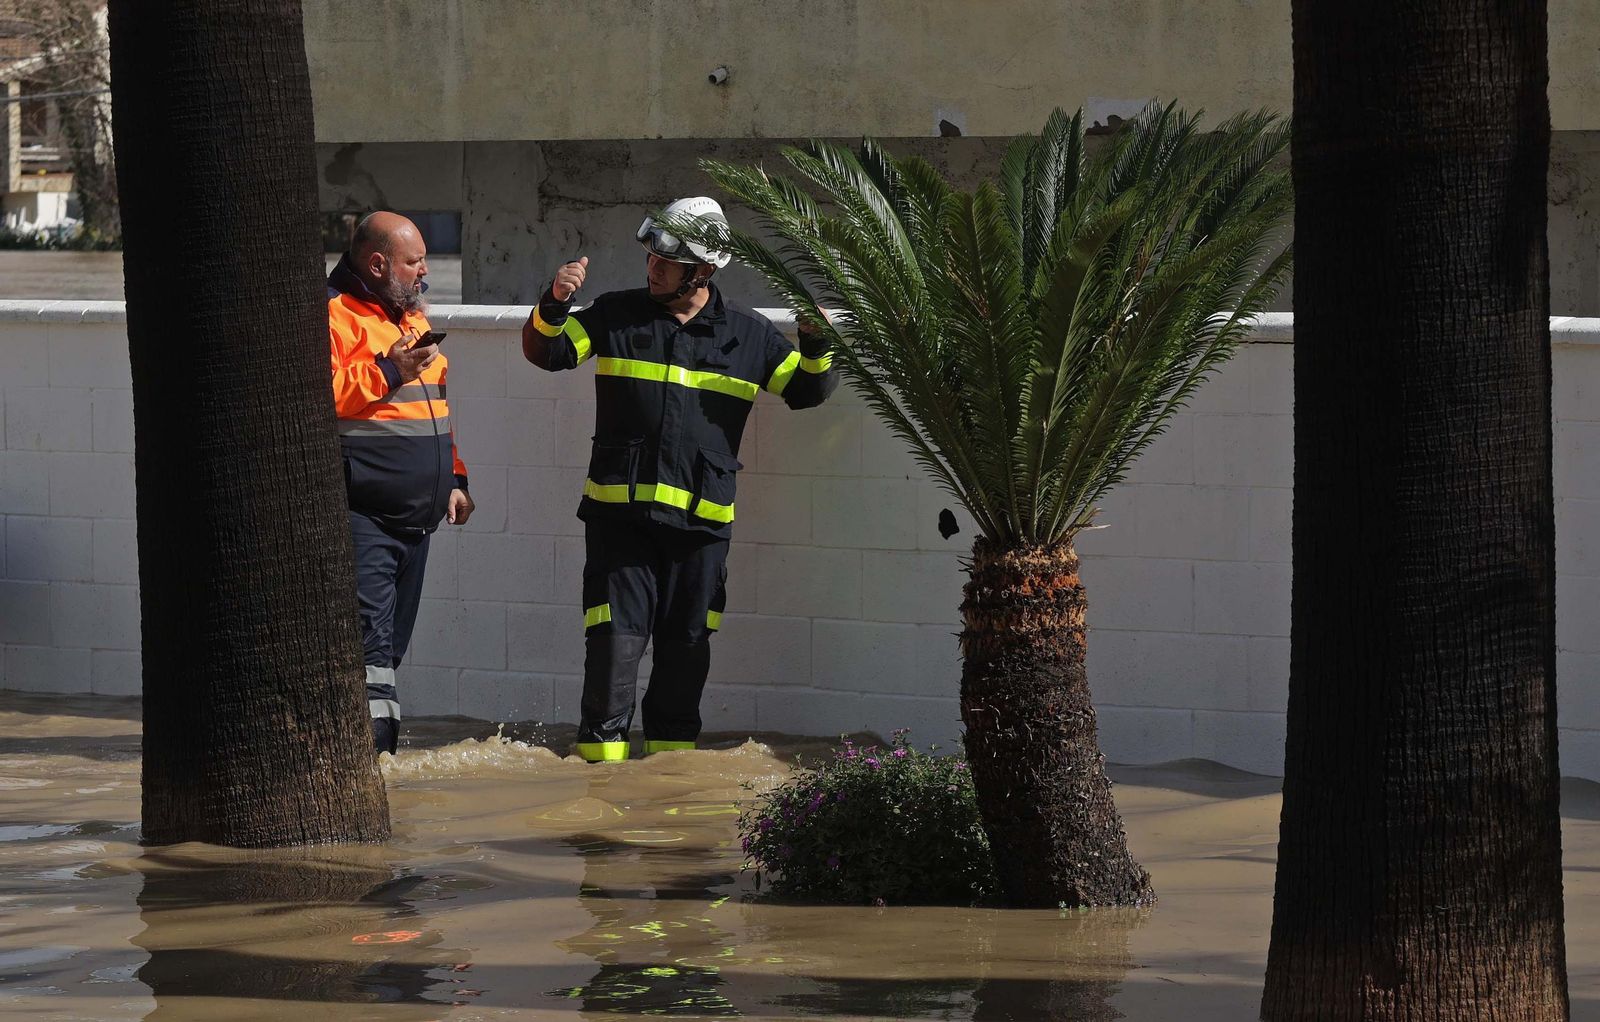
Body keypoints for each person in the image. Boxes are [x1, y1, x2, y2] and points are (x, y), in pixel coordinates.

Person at [521, 196, 838, 762]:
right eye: (649, 257)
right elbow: (549, 352)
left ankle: (669, 806)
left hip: (701, 532)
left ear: (705, 269)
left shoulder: (750, 335)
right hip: (621, 525)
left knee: (684, 660)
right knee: (613, 658)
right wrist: (554, 303)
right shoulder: (617, 314)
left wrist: (816, 344)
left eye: (667, 261)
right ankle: (601, 816)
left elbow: (808, 391)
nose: (652, 268)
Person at [328, 211, 475, 754]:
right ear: (377, 263)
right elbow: (317, 395)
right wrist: (389, 370)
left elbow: (434, 410)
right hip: (364, 515)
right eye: (414, 262)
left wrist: (455, 477)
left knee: (389, 654)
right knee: (370, 654)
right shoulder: (333, 314)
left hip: (418, 520)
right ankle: (370, 766)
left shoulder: (410, 320)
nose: (424, 272)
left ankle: (379, 763)